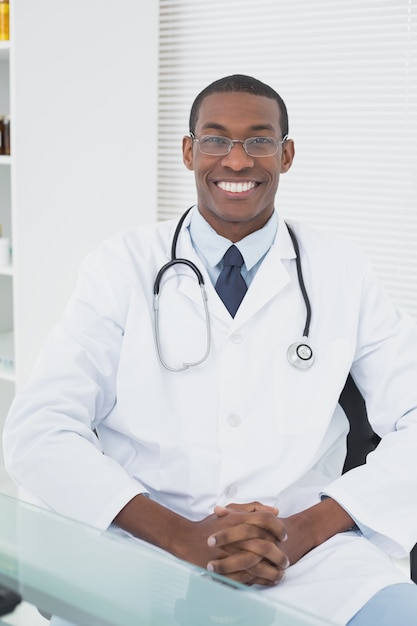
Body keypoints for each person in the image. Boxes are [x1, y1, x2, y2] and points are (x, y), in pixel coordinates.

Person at [3, 74, 417, 625]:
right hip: (143, 544)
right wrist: (185, 538)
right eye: (216, 139)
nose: (238, 161)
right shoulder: (121, 265)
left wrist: (302, 531)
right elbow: (40, 430)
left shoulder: (342, 269)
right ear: (189, 151)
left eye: (259, 140)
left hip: (311, 559)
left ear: (286, 154)